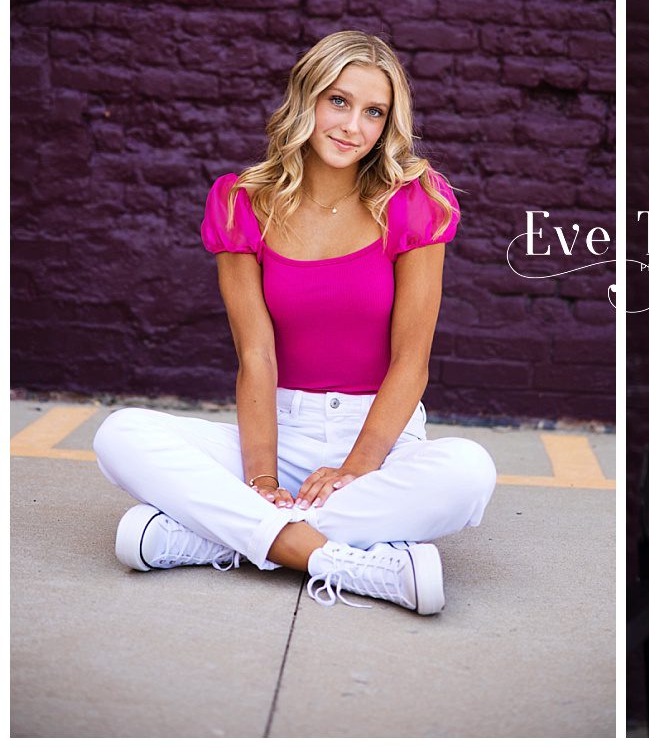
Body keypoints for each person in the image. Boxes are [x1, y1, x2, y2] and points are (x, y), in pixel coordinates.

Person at [93, 30, 498, 615]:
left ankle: (214, 539)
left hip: (380, 440)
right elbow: (255, 356)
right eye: (338, 101)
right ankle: (341, 561)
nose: (352, 126)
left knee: (468, 473)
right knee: (119, 434)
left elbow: (412, 362)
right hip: (280, 430)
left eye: (373, 112)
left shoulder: (414, 201)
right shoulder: (240, 203)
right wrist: (260, 480)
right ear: (305, 98)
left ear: (388, 124)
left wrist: (355, 470)